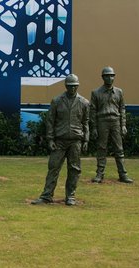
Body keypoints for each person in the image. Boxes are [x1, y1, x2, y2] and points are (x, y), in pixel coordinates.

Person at [31, 74, 89, 206]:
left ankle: (70, 196)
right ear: (66, 86)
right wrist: (50, 139)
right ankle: (46, 196)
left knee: (74, 169)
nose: (72, 88)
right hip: (59, 140)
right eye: (70, 86)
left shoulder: (84, 102)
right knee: (53, 167)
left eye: (74, 86)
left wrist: (86, 140)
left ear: (77, 86)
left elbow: (86, 123)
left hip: (75, 140)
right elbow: (50, 121)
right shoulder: (57, 101)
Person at [90, 66, 133, 183]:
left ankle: (123, 174)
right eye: (107, 76)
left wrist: (123, 125)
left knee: (119, 148)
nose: (110, 78)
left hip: (115, 121)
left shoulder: (119, 92)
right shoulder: (96, 93)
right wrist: (94, 127)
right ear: (103, 77)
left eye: (112, 75)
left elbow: (122, 109)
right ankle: (99, 174)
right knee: (101, 148)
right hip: (102, 121)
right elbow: (92, 111)